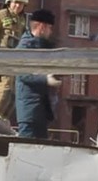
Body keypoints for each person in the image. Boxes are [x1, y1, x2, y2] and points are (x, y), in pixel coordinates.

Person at [15, 9, 60, 139]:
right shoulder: (25, 47)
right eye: (50, 28)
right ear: (42, 27)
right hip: (29, 110)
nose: (51, 32)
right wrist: (46, 79)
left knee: (40, 149)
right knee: (27, 149)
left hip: (39, 108)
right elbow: (23, 74)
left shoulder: (41, 46)